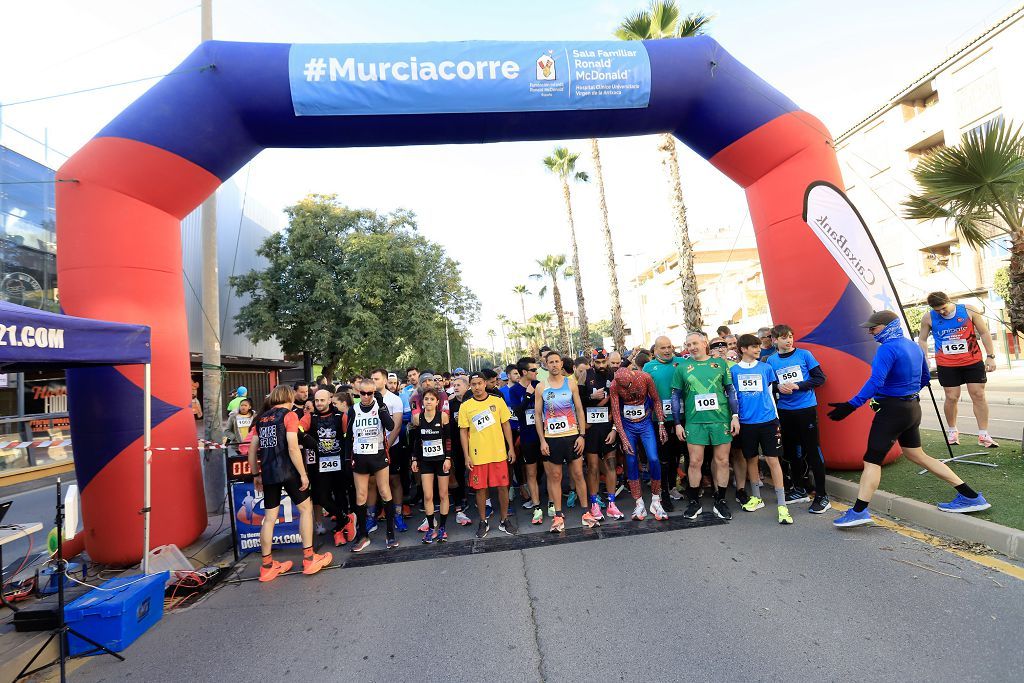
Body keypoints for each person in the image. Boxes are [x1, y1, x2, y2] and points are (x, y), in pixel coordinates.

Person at [828, 310, 992, 527]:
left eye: (874, 327)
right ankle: (970, 496)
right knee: (917, 455)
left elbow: (876, 381)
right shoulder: (913, 346)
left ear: (887, 327)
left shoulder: (887, 349)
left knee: (871, 461)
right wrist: (906, 393)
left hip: (892, 412)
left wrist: (851, 405)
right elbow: (925, 377)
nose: (870, 331)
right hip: (912, 409)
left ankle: (859, 511)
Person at [248, 384, 332, 581]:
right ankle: (309, 558)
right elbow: (293, 447)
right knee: (305, 509)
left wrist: (255, 474)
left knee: (269, 518)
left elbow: (252, 450)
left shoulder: (261, 419)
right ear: (289, 397)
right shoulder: (289, 415)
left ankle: (267, 565)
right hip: (288, 471)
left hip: (268, 473)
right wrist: (303, 474)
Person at [672, 332, 740, 520]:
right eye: (688, 344)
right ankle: (694, 502)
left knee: (723, 461)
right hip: (695, 422)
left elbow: (730, 390)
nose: (691, 347)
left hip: (720, 420)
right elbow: (675, 396)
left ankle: (721, 501)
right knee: (694, 462)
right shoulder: (682, 368)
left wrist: (735, 416)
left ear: (704, 343)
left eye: (695, 343)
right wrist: (678, 423)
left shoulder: (720, 364)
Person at [918, 291, 999, 448]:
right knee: (952, 397)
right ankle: (952, 431)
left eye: (943, 308)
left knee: (978, 395)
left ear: (949, 301)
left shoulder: (968, 310)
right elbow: (922, 339)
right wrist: (925, 359)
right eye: (937, 310)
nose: (941, 312)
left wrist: (990, 356)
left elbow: (984, 332)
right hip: (947, 363)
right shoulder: (928, 317)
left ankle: (983, 435)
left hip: (972, 360)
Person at [765, 324, 830, 512]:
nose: (789, 340)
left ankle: (822, 495)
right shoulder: (771, 361)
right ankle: (799, 489)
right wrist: (779, 388)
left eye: (791, 336)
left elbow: (820, 378)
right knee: (793, 452)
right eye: (784, 337)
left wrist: (798, 386)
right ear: (775, 340)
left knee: (813, 449)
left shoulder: (804, 355)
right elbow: (770, 385)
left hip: (806, 409)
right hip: (785, 411)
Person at [731, 334, 793, 524]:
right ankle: (757, 497)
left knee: (774, 460)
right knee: (751, 459)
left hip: (768, 421)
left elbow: (770, 393)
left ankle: (782, 505)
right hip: (746, 423)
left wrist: (776, 419)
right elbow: (734, 397)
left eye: (758, 346)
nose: (758, 350)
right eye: (753, 347)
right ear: (743, 349)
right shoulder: (733, 371)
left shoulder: (766, 368)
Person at [535, 351, 599, 532]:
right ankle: (558, 515)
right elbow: (538, 416)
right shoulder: (541, 387)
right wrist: (542, 441)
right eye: (551, 362)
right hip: (552, 439)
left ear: (561, 364)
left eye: (557, 362)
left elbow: (579, 409)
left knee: (578, 474)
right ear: (546, 364)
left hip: (572, 437)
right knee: (555, 477)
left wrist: (581, 435)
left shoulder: (570, 383)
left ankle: (586, 512)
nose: (554, 365)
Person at [458, 372, 518, 538]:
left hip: (498, 454)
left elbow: (506, 425)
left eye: (479, 383)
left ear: (485, 383)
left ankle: (504, 520)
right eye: (473, 384)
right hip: (478, 456)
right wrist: (466, 455)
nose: (477, 387)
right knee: (480, 490)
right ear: (470, 386)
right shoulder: (466, 406)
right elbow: (463, 432)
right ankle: (483, 521)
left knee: (503, 487)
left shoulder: (497, 401)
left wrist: (510, 448)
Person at [610, 361, 668, 521]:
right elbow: (616, 412)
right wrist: (622, 436)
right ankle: (639, 502)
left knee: (654, 458)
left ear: (632, 377)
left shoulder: (645, 378)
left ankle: (656, 499)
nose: (625, 389)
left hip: (645, 424)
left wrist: (661, 424)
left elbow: (656, 400)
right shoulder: (614, 385)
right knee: (631, 459)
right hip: (628, 426)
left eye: (627, 385)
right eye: (622, 387)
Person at [299, 389, 357, 547]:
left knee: (340, 497)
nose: (318, 404)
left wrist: (348, 458)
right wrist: (305, 437)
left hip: (338, 463)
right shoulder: (310, 416)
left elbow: (350, 436)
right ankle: (346, 519)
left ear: (330, 400)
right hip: (319, 465)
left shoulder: (340, 416)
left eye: (322, 400)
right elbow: (297, 429)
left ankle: (339, 530)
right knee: (322, 498)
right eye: (316, 401)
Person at [348, 379, 399, 551]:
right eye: (363, 393)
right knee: (361, 495)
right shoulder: (353, 409)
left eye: (370, 393)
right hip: (360, 457)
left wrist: (382, 405)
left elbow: (390, 426)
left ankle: (390, 534)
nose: (366, 397)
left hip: (378, 455)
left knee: (384, 491)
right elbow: (348, 436)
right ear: (358, 392)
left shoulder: (379, 407)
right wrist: (348, 459)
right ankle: (363, 535)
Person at [642, 336, 686, 511]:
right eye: (663, 348)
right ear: (655, 351)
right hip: (659, 420)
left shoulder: (682, 362)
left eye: (670, 347)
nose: (668, 351)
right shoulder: (648, 367)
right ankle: (664, 493)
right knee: (664, 458)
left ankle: (673, 487)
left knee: (678, 455)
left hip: (682, 417)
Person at [582, 350, 622, 520]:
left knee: (611, 465)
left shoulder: (615, 376)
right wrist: (591, 395)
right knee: (593, 467)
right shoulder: (585, 374)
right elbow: (578, 400)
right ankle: (595, 504)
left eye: (603, 362)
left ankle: (612, 504)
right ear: (592, 361)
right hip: (591, 429)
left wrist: (614, 429)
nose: (601, 366)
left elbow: (619, 404)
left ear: (608, 361)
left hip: (608, 428)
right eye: (597, 362)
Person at [411, 388, 452, 544]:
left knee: (443, 494)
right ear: (423, 402)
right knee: (427, 496)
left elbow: (448, 439)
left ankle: (442, 527)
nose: (428, 402)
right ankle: (430, 527)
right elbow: (415, 441)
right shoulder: (417, 418)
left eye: (431, 399)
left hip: (441, 460)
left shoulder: (443, 417)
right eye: (426, 399)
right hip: (426, 461)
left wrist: (448, 458)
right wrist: (414, 459)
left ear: (437, 402)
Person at [370, 368, 407, 532]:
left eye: (376, 379)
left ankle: (398, 515)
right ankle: (371, 518)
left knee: (394, 480)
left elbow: (397, 426)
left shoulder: (394, 399)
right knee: (372, 483)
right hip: (371, 449)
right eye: (372, 379)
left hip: (392, 446)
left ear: (385, 380)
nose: (373, 381)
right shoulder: (366, 399)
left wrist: (386, 446)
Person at [512, 356, 545, 524]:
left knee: (546, 469)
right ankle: (536, 504)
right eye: (533, 370)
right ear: (524, 372)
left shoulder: (540, 384)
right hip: (527, 436)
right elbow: (517, 411)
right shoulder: (514, 390)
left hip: (545, 435)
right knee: (531, 471)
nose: (536, 372)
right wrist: (527, 395)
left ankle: (550, 502)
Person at [447, 375, 474, 526]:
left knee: (473, 470)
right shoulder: (450, 404)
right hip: (456, 443)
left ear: (466, 387)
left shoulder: (472, 402)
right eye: (454, 385)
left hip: (474, 442)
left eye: (459, 385)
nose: (456, 387)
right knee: (457, 472)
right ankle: (460, 499)